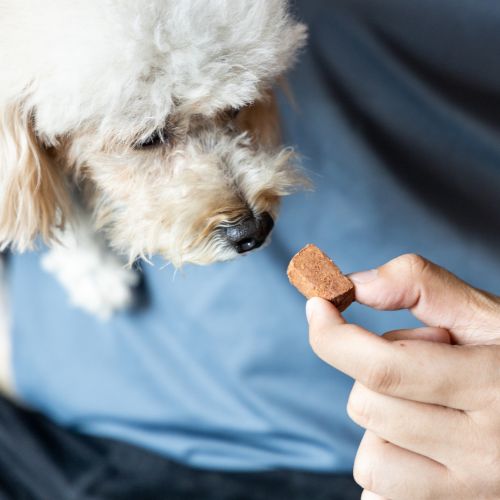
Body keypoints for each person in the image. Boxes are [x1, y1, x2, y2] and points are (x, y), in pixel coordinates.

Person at [1, 1, 499, 499]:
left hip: (388, 451)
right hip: (69, 403)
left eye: (233, 110)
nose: (244, 209)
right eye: (151, 139)